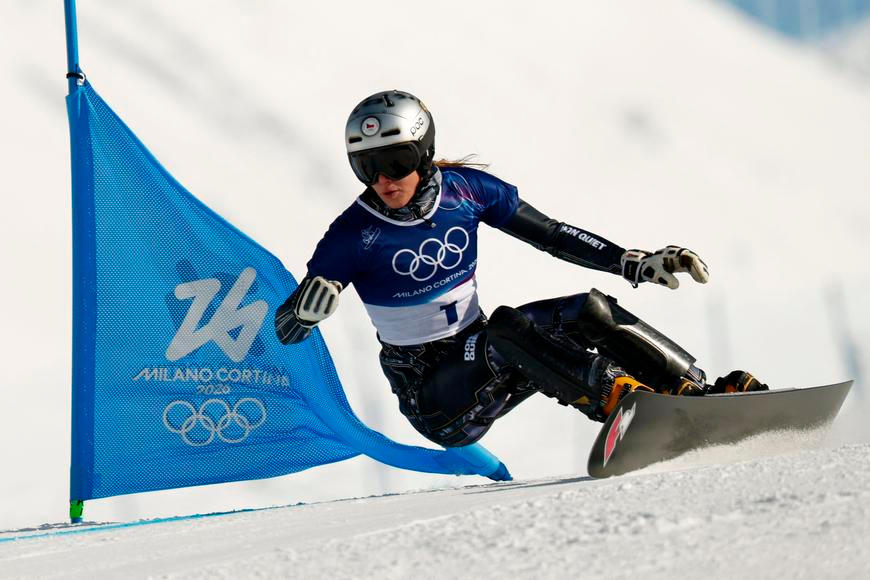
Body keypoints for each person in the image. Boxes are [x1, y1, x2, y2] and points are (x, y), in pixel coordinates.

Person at [275, 90, 767, 448]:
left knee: (587, 310)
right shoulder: (351, 236)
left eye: (396, 161)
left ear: (423, 153)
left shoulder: (466, 191)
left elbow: (551, 234)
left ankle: (695, 392)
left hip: (491, 356)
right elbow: (286, 330)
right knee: (507, 329)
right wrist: (303, 314)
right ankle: (625, 402)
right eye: (366, 167)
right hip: (436, 401)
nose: (382, 180)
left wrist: (629, 262)